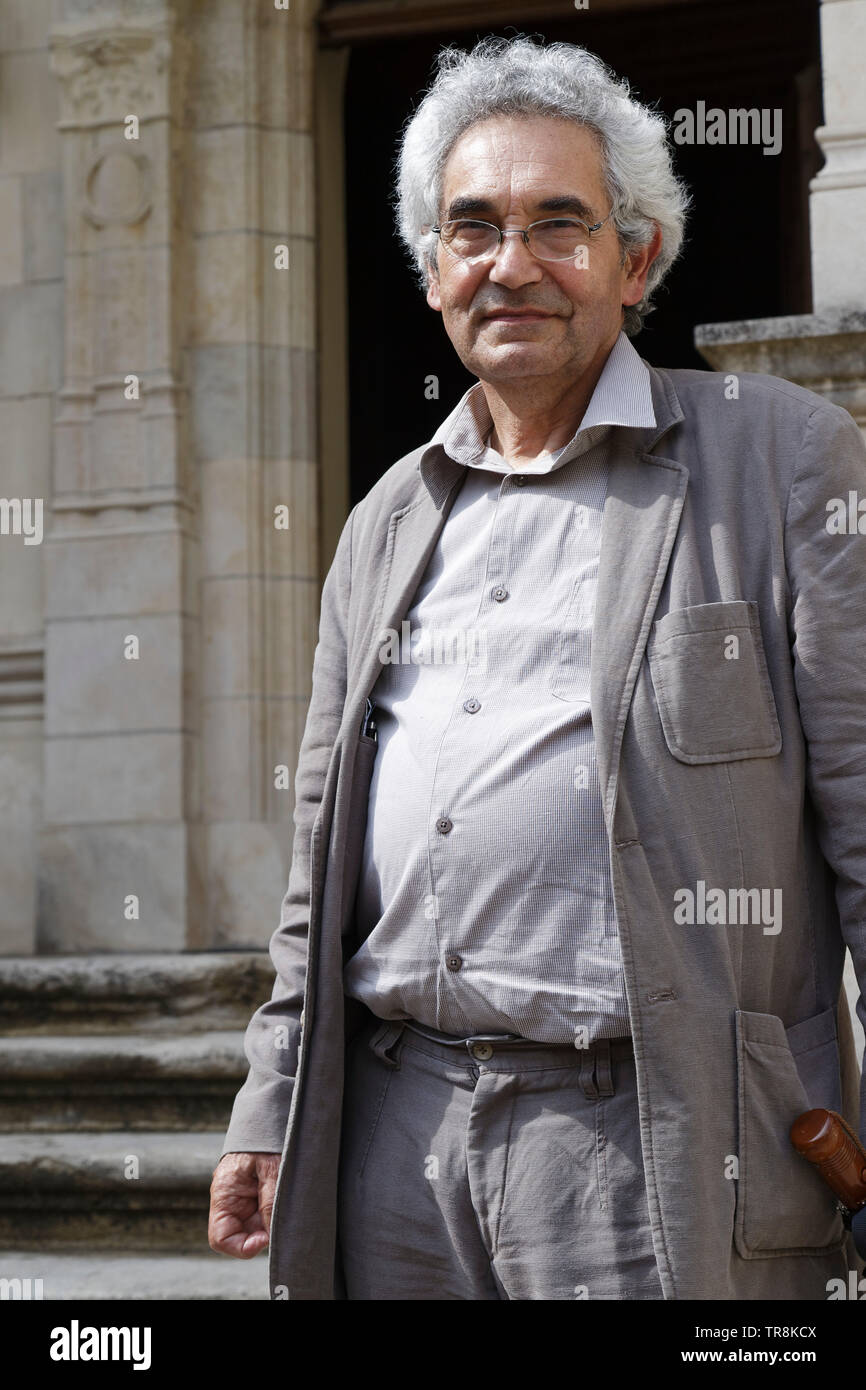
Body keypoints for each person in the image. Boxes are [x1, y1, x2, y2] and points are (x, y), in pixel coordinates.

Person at [208, 34, 866, 1300]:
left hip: (651, 1140)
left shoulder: (779, 463)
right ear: (433, 270)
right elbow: (319, 860)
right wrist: (269, 1096)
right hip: (395, 1147)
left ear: (637, 258)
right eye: (473, 230)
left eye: (558, 226)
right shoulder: (387, 518)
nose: (512, 265)